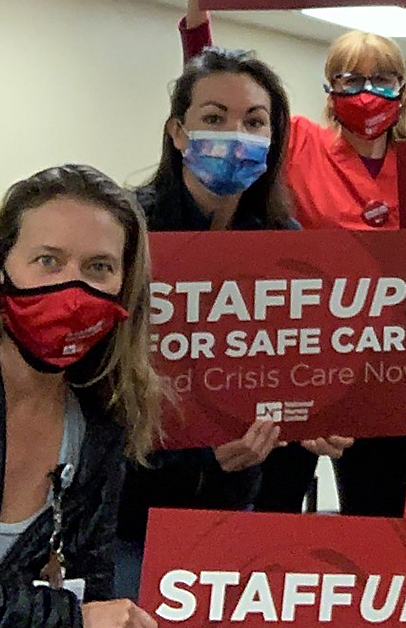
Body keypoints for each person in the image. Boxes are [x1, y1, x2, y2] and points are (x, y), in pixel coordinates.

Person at [113, 46, 351, 601]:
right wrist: (194, 457)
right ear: (178, 132)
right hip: (131, 510)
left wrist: (314, 412)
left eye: (255, 122)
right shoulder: (125, 232)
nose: (236, 134)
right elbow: (92, 387)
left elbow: (290, 361)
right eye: (214, 118)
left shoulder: (284, 245)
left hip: (238, 501)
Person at [177, 0, 406, 518]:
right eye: (351, 78)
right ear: (330, 87)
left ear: (403, 87)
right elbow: (225, 104)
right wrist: (198, 19)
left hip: (380, 363)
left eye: (382, 79)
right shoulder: (302, 143)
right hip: (291, 355)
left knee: (377, 516)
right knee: (273, 508)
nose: (367, 91)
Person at [0, 164, 161, 627]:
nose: (73, 290)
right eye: (48, 261)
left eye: (99, 268)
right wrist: (70, 620)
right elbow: (77, 614)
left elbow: (90, 582)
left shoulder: (102, 417)